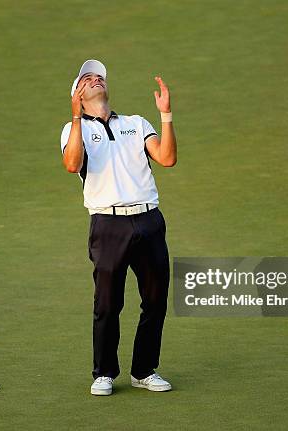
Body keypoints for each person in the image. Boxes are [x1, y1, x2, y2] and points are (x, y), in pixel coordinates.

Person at [60, 59, 177, 396]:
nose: (96, 79)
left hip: (149, 220)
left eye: (99, 77)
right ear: (78, 95)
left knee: (155, 300)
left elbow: (167, 158)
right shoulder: (73, 129)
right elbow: (72, 164)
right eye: (87, 78)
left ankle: (143, 370)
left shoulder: (137, 124)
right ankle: (104, 373)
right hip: (107, 223)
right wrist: (76, 117)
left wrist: (165, 115)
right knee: (108, 303)